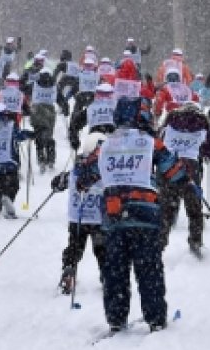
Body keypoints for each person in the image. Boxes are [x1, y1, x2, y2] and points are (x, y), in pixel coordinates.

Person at [72, 97, 189, 333]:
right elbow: (174, 172)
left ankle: (116, 317)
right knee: (149, 270)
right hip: (145, 215)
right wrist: (185, 177)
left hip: (114, 218)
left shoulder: (105, 146)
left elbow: (84, 177)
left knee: (115, 270)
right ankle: (155, 317)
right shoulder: (150, 143)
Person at [157, 101, 210, 256]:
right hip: (190, 170)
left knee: (165, 210)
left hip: (167, 170)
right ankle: (195, 241)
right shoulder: (201, 126)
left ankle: (159, 242)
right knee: (194, 210)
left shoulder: (167, 126)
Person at [52, 133, 107, 296]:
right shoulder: (105, 167)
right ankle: (107, 276)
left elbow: (57, 183)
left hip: (77, 219)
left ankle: (69, 269)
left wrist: (59, 182)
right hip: (99, 218)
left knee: (74, 247)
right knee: (103, 250)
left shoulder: (78, 167)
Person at [28, 66, 60, 172]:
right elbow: (60, 98)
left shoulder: (35, 83)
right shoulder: (54, 85)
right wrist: (65, 107)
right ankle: (50, 159)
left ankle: (41, 159)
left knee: (39, 135)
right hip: (50, 111)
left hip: (37, 111)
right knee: (49, 135)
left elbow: (25, 89)